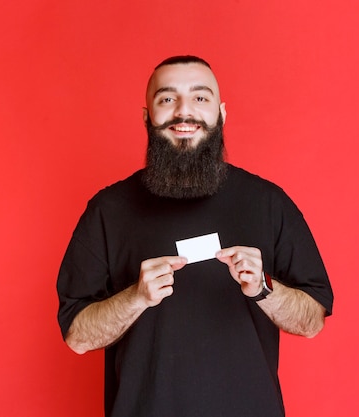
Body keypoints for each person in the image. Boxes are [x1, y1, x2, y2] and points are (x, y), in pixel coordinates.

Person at [56, 55, 334, 417]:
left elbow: (312, 321)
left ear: (221, 114)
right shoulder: (108, 210)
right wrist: (135, 298)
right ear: (147, 117)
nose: (183, 113)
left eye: (200, 98)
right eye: (167, 99)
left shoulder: (268, 203)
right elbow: (77, 336)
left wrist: (263, 290)